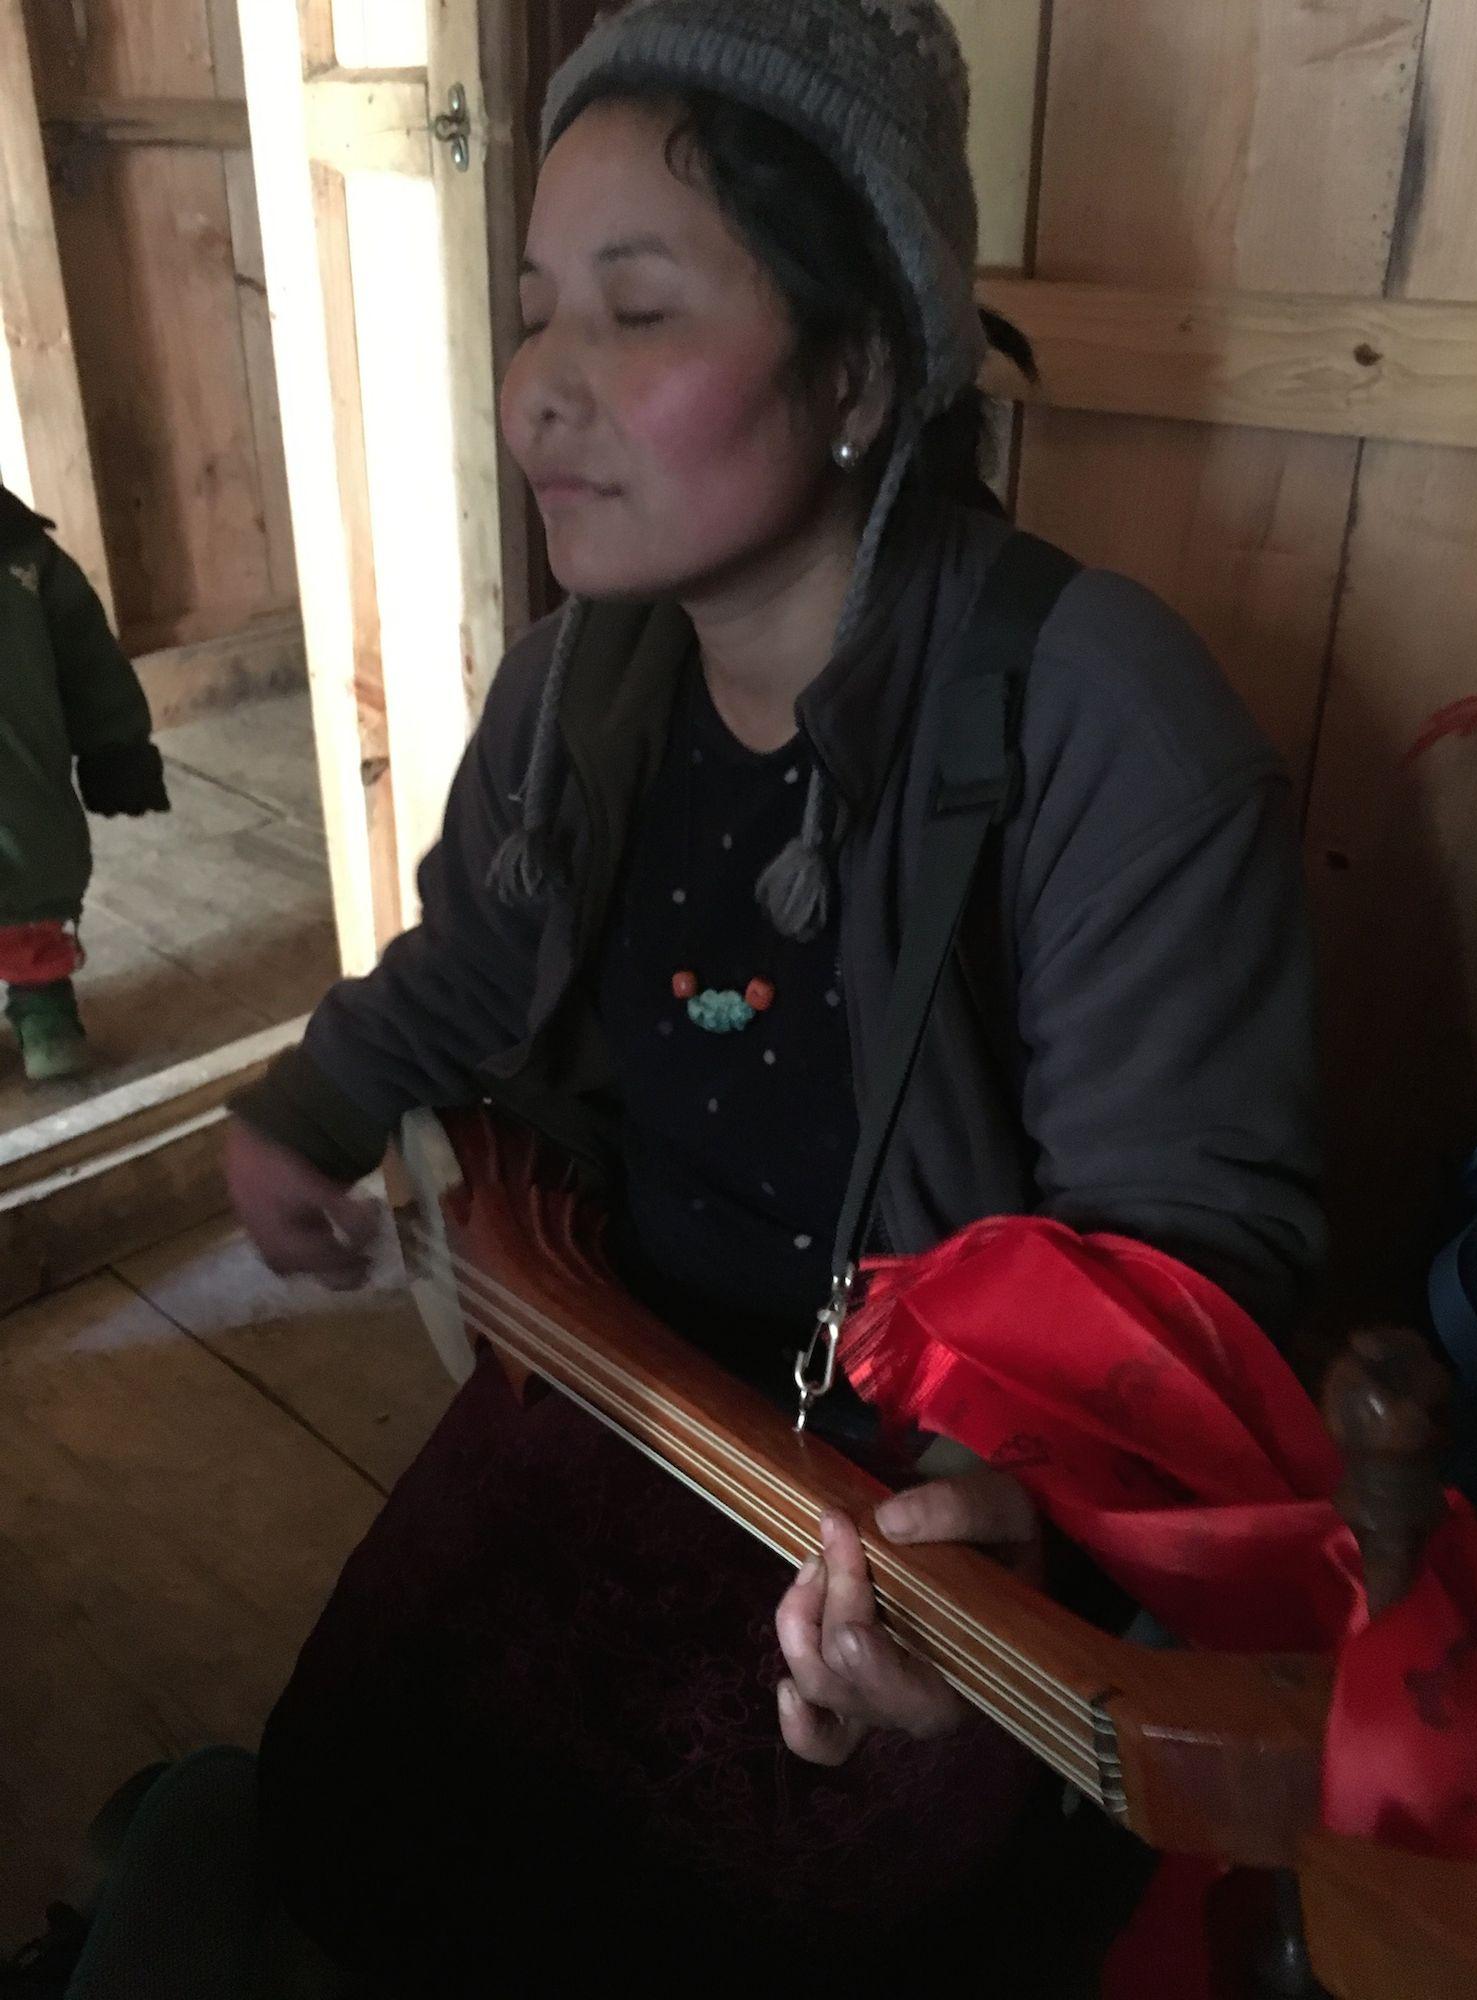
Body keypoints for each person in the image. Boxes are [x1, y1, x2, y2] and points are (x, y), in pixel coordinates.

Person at [226, 1, 1324, 1989]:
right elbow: (481, 942)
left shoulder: (1103, 728)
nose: (537, 392)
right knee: (360, 1794)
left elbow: (1198, 1283)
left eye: (636, 315)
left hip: (919, 1525)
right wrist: (320, 1098)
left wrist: (1003, 1546)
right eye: (537, 307)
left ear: (858, 370)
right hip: (631, 1385)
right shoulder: (581, 680)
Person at [0, 483, 169, 1080]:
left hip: (18, 791)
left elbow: (87, 658)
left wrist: (115, 747)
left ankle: (44, 1006)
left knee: (29, 889)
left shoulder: (21, 556)